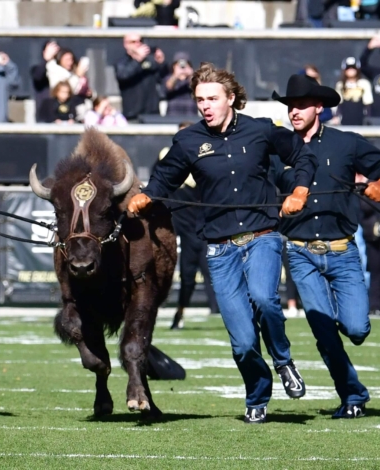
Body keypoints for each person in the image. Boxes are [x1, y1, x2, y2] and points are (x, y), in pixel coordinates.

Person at [128, 63, 318, 424]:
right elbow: (164, 181)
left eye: (213, 98)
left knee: (264, 298)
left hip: (262, 235)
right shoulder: (186, 142)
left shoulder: (261, 130)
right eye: (200, 100)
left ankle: (282, 359)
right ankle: (257, 395)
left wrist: (299, 188)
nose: (206, 106)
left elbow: (302, 154)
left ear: (231, 98)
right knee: (243, 341)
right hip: (220, 248)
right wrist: (146, 197)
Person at [271, 74, 380, 419]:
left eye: (301, 105)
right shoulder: (275, 149)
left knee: (357, 329)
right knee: (324, 330)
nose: (294, 112)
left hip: (342, 251)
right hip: (300, 252)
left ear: (319, 107)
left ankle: (345, 330)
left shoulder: (346, 143)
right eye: (290, 106)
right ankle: (353, 396)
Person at [155, 121, 218, 330]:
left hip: (198, 222)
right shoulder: (168, 155)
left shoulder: (203, 156)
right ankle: (177, 311)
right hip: (174, 219)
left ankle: (216, 309)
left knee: (204, 270)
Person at [114, 34, 168, 121]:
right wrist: (138, 59)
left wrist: (161, 63)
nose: (138, 44)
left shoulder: (150, 60)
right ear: (126, 44)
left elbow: (162, 78)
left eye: (140, 41)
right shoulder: (122, 62)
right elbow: (123, 75)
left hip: (152, 113)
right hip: (133, 114)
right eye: (133, 42)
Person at [335, 57, 373, 126]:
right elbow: (338, 104)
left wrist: (368, 118)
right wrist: (336, 117)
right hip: (344, 120)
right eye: (348, 68)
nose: (351, 70)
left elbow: (368, 103)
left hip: (360, 120)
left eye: (353, 68)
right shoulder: (340, 85)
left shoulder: (364, 83)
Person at [31, 40, 61, 121]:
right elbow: (38, 76)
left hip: (63, 116)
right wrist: (46, 60)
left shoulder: (63, 70)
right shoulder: (38, 69)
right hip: (45, 116)